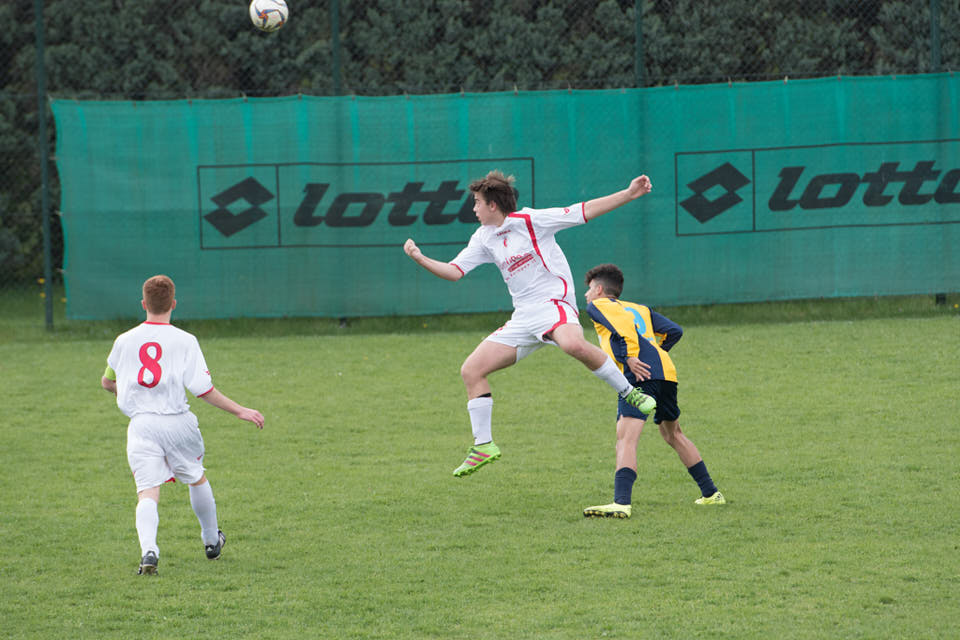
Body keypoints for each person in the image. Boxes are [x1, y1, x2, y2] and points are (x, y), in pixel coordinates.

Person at [403, 170, 657, 477]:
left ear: (493, 205)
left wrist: (628, 193)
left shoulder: (531, 220)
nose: (474, 208)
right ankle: (483, 445)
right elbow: (455, 271)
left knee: (572, 344)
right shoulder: (483, 237)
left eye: (477, 202)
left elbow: (584, 210)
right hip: (523, 318)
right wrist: (420, 258)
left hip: (553, 303)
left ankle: (629, 392)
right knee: (471, 370)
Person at [101, 275, 264, 575]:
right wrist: (240, 410)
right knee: (196, 477)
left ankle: (149, 551)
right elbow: (203, 389)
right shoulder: (186, 340)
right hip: (178, 422)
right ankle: (211, 541)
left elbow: (107, 381)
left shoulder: (124, 340)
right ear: (173, 304)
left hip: (141, 425)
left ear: (143, 304)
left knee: (147, 491)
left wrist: (126, 392)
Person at [580, 263, 724, 518]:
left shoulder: (598, 305)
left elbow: (623, 327)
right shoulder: (640, 308)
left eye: (589, 289)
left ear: (600, 289)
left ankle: (621, 503)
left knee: (626, 439)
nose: (586, 294)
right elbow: (674, 331)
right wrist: (657, 354)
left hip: (639, 374)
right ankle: (711, 494)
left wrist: (631, 357)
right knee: (673, 434)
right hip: (666, 373)